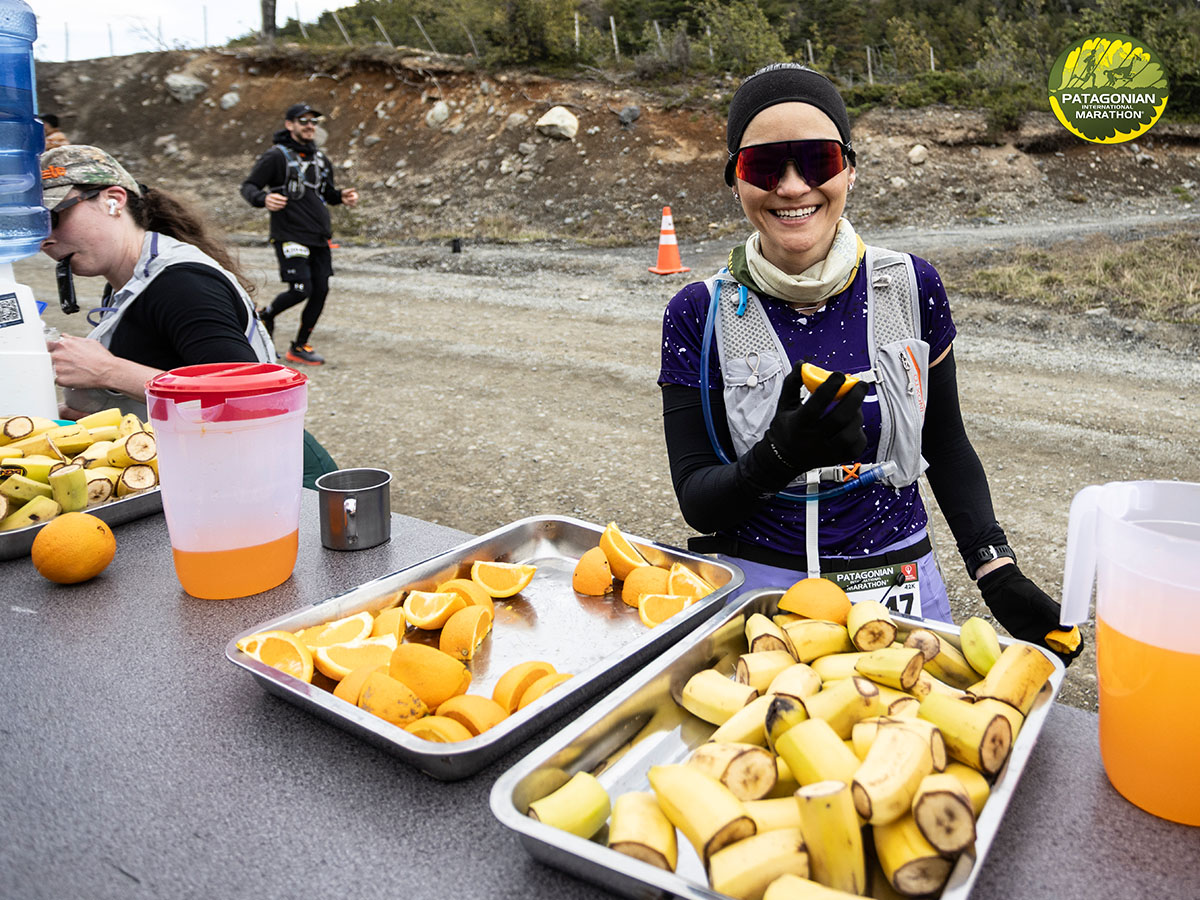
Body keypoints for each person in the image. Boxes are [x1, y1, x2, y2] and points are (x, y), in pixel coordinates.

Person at [657, 64, 1082, 666]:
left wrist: (996, 568)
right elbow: (698, 500)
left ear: (850, 169)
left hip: (901, 595)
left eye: (818, 159)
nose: (793, 186)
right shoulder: (698, 314)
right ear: (735, 180)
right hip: (760, 605)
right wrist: (777, 457)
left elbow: (946, 444)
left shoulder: (911, 287)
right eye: (764, 166)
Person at [39, 144, 336, 487]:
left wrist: (109, 371)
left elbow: (246, 399)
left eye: (54, 217)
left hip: (280, 479)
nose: (45, 240)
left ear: (113, 200)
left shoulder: (181, 284)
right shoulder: (132, 279)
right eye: (35, 225)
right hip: (231, 471)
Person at [240, 102, 359, 366]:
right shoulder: (276, 156)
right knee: (301, 288)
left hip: (319, 237)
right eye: (303, 121)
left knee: (321, 290)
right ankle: (265, 316)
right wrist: (263, 198)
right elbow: (248, 186)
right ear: (289, 124)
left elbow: (326, 193)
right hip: (289, 233)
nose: (309, 126)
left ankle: (300, 346)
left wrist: (342, 196)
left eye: (313, 121)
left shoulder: (321, 159)